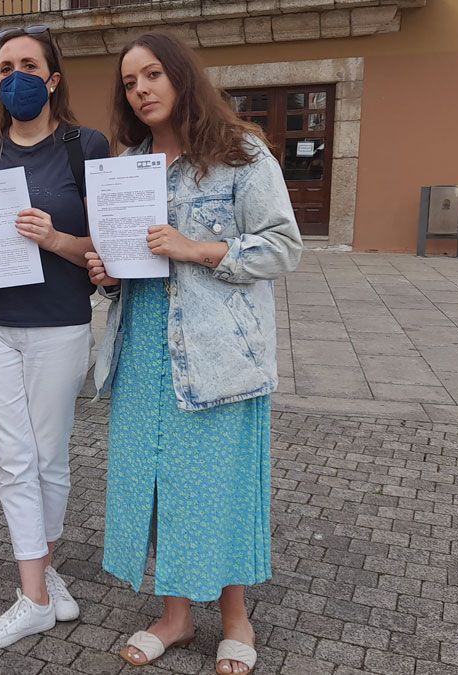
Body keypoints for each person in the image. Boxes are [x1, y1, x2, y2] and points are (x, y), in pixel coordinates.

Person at [86, 32, 302, 674]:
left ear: (181, 77)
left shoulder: (240, 154)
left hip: (217, 354)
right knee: (159, 483)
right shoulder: (132, 164)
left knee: (220, 485)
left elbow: (284, 247)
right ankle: (177, 616)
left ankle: (236, 619)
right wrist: (109, 269)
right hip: (143, 345)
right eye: (130, 82)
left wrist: (197, 248)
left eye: (152, 75)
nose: (141, 89)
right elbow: (128, 256)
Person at [0, 25, 110, 650]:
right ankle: (34, 595)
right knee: (14, 459)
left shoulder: (84, 147)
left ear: (53, 78)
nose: (16, 76)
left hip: (59, 323)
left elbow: (114, 245)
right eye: (5, 66)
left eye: (28, 65)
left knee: (50, 458)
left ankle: (48, 567)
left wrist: (57, 240)